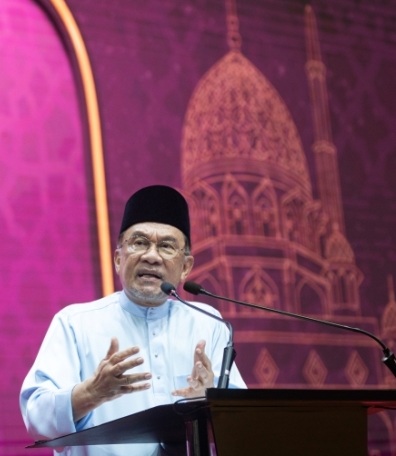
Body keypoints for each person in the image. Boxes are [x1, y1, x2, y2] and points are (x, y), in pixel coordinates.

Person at [20, 185, 245, 456]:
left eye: (166, 246)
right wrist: (91, 393)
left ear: (185, 267)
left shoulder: (209, 324)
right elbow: (36, 416)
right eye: (139, 243)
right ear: (118, 259)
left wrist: (211, 403)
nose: (151, 256)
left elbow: (242, 424)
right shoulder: (74, 323)